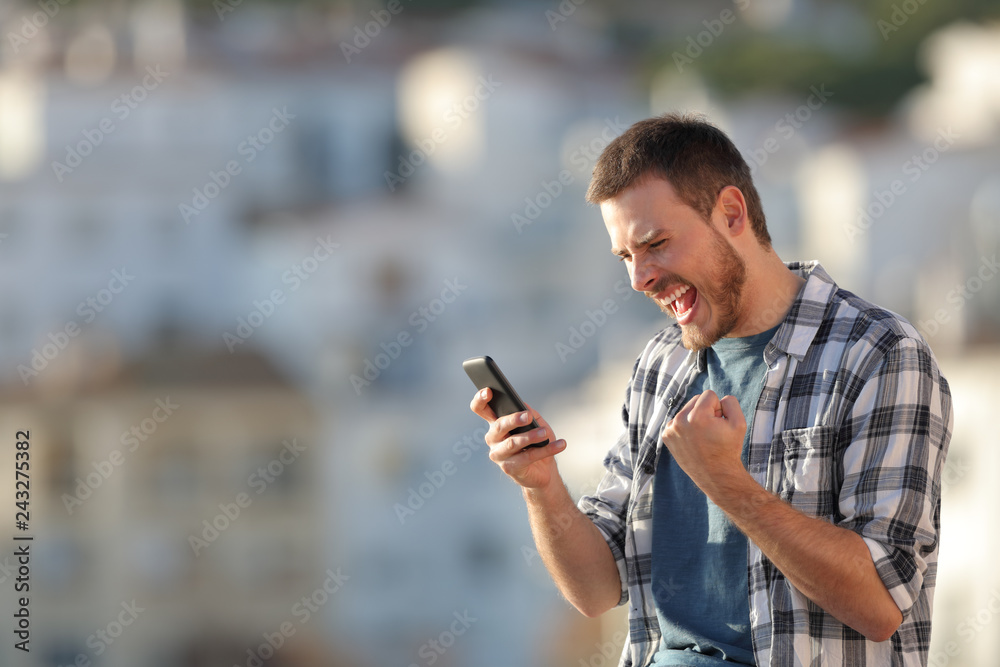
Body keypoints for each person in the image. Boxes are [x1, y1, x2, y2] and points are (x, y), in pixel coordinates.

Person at [469, 113, 953, 667]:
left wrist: (725, 480)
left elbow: (880, 604)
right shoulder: (661, 364)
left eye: (655, 244)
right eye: (626, 257)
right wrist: (540, 484)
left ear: (731, 212)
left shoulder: (878, 354)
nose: (639, 279)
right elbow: (596, 589)